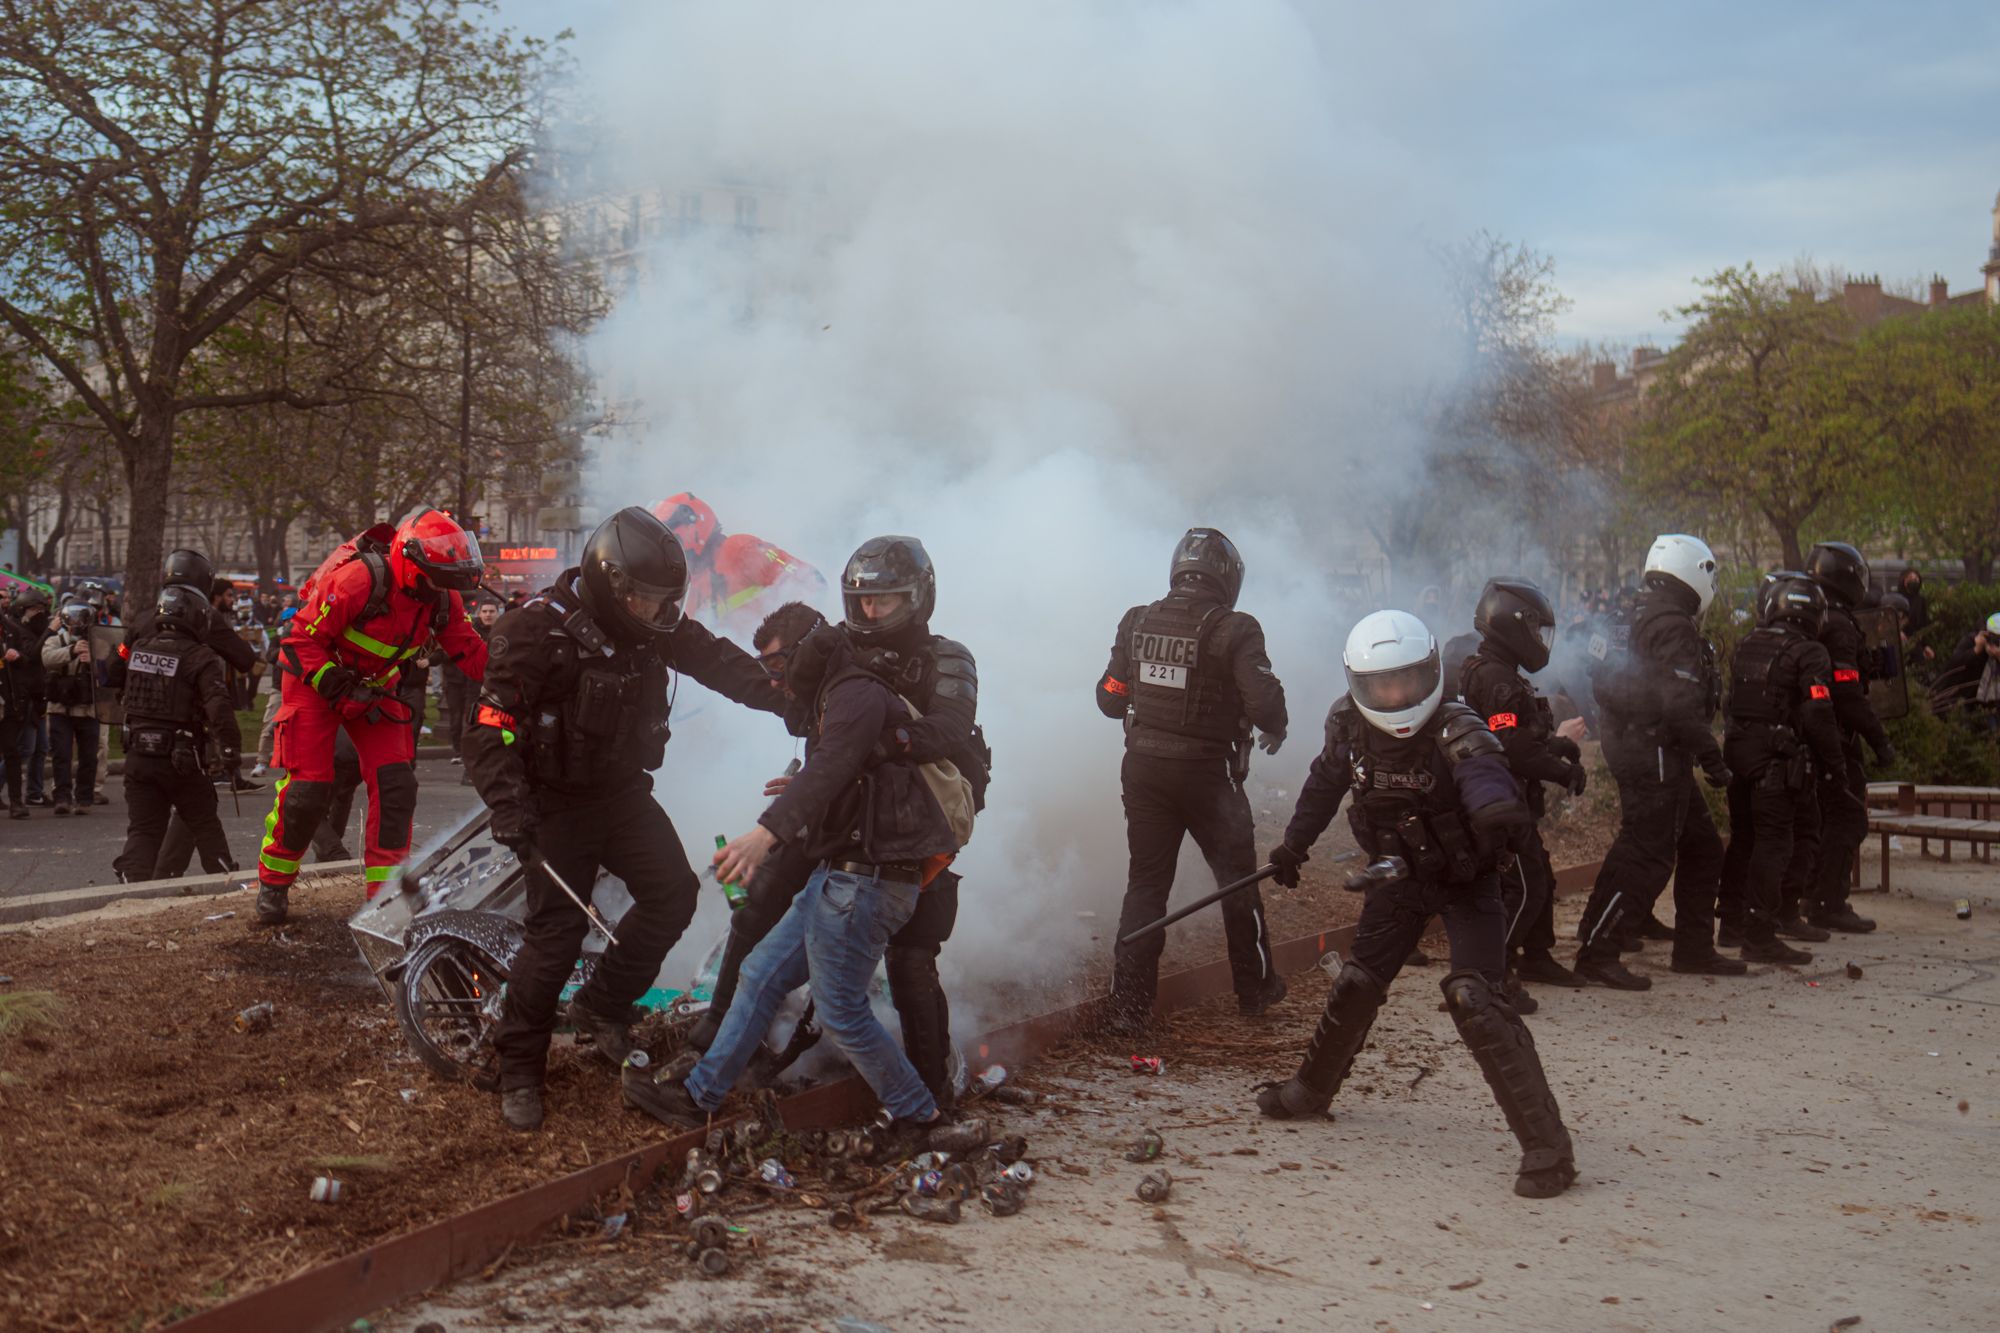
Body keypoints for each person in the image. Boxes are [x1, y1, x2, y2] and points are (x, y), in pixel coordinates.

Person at [623, 564, 975, 1147]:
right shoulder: (833, 692)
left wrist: (767, 833)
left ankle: (921, 1116)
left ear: (810, 655)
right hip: (840, 871)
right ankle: (698, 1097)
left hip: (874, 877)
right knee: (760, 973)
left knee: (846, 1009)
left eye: (782, 671)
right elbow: (835, 768)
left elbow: (837, 761)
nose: (777, 686)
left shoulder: (855, 692)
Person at [463, 506, 785, 1132]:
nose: (657, 614)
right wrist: (510, 810)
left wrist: (789, 702)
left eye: (667, 601)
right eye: (643, 600)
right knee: (555, 935)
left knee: (673, 895)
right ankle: (519, 1068)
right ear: (609, 582)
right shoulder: (532, 634)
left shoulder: (655, 623)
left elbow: (718, 660)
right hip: (554, 805)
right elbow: (487, 729)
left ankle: (602, 1006)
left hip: (623, 795)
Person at [1255, 610, 1575, 1199]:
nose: (1397, 695)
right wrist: (1293, 845)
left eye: (1407, 680)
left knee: (1477, 997)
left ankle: (1548, 1148)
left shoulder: (1458, 726)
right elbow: (1325, 780)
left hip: (1467, 881)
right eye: (1383, 685)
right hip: (1396, 877)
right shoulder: (1347, 726)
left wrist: (1497, 809)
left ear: (1430, 672)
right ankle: (1309, 1092)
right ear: (1359, 683)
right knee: (1356, 982)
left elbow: (1484, 772)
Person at [1094, 528, 1287, 1036]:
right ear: (1227, 579)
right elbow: (1265, 706)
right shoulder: (1237, 629)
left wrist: (1137, 682)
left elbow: (1110, 698)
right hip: (1208, 778)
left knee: (1146, 887)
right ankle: (1255, 991)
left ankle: (1128, 1011)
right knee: (1237, 882)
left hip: (1144, 772)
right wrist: (1277, 725)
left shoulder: (1137, 621)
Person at [255, 510, 489, 922]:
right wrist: (336, 684)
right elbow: (298, 641)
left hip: (374, 688)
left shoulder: (441, 596)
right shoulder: (359, 580)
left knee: (396, 785)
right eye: (442, 577)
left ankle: (384, 899)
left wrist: (520, 677)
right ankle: (274, 883)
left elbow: (469, 650)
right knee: (308, 791)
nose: (450, 588)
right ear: (413, 566)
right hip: (315, 683)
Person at [1572, 535, 1736, 990]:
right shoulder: (1673, 626)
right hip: (1658, 752)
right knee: (1650, 856)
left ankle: (1691, 948)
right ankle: (1598, 951)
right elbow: (1681, 706)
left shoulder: (1623, 615)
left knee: (1697, 846)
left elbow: (1591, 678)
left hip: (1629, 744)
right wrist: (1714, 761)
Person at [1456, 579, 1590, 995]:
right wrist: (1562, 770)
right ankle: (1489, 974)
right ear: (1514, 626)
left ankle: (1536, 955)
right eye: (1535, 630)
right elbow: (1513, 752)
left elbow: (1512, 734)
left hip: (1502, 797)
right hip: (1501, 799)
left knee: (1540, 877)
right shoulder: (1497, 679)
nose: (1539, 641)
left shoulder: (1493, 670)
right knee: (1526, 886)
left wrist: (1556, 743)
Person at [1715, 574, 1843, 965]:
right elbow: (1818, 711)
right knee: (1775, 845)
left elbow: (1729, 701)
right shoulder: (1811, 652)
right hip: (1775, 761)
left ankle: (1731, 924)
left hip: (1737, 752)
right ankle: (1760, 935)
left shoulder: (1746, 643)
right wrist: (1834, 764)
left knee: (1743, 840)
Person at [110, 585, 242, 881]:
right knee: (205, 824)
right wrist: (231, 751)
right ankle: (223, 883)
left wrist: (122, 649)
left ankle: (132, 887)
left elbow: (109, 670)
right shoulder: (200, 656)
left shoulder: (137, 647)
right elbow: (219, 706)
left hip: (138, 757)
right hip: (183, 760)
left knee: (144, 829)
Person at [1802, 542, 1895, 935]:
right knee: (1848, 817)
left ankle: (1811, 895)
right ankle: (1829, 903)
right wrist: (1880, 742)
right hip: (1835, 738)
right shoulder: (1839, 625)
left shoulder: (1815, 616)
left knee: (1820, 819)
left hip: (1810, 734)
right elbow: (1847, 695)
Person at [653, 493, 826, 636]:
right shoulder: (685, 582)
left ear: (692, 522)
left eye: (670, 534)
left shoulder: (737, 549)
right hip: (744, 667)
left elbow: (810, 581)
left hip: (780, 659)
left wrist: (789, 641)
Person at [41, 601, 101, 818]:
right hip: (60, 708)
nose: (77, 624)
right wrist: (72, 652)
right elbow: (47, 658)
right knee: (62, 755)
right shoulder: (55, 640)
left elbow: (113, 668)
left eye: (82, 619)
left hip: (88, 709)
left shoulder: (98, 642)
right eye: (73, 619)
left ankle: (84, 799)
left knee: (88, 756)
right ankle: (62, 798)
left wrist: (94, 664)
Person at [443, 597, 498, 778]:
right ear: (479, 613)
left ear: (498, 613)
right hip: (473, 684)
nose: (488, 615)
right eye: (485, 611)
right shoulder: (472, 631)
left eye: (492, 611)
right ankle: (470, 764)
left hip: (497, 685)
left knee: (495, 726)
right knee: (472, 723)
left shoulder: (504, 631)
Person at [8, 589, 53, 807]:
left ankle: (34, 792)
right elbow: (33, 656)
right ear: (22, 610)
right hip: (25, 695)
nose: (39, 613)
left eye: (42, 609)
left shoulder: (36, 628)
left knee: (41, 747)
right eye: (35, 609)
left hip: (39, 693)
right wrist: (49, 632)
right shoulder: (17, 629)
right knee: (25, 748)